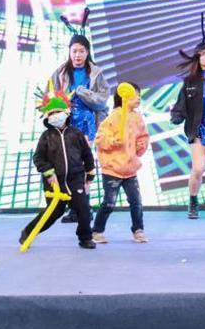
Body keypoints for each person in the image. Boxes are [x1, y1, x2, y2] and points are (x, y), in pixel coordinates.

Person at [51, 13, 111, 222]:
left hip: (87, 123)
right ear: (69, 52)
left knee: (82, 164)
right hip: (66, 124)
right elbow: (52, 98)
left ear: (87, 52)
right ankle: (76, 206)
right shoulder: (59, 73)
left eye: (82, 51)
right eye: (74, 51)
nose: (77, 55)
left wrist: (81, 92)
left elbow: (102, 100)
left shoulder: (96, 73)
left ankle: (84, 207)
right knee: (68, 165)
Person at [20, 91, 97, 249]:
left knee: (83, 209)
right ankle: (29, 232)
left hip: (75, 179)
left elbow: (87, 155)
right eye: (51, 113)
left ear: (66, 113)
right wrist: (49, 172)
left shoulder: (76, 134)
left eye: (57, 112)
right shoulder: (46, 137)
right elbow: (38, 158)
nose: (54, 116)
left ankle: (85, 238)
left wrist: (90, 175)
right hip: (54, 182)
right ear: (47, 117)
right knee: (54, 212)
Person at [170, 13, 205, 219]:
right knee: (198, 169)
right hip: (198, 130)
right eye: (204, 54)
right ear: (198, 57)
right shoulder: (190, 82)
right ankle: (193, 202)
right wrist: (176, 116)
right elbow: (181, 105)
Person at [92, 82, 149, 244]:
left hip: (130, 169)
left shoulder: (137, 117)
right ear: (124, 96)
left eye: (139, 95)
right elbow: (100, 138)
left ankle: (138, 230)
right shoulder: (113, 117)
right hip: (113, 169)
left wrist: (141, 145)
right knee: (109, 203)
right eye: (135, 94)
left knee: (136, 202)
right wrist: (112, 141)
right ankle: (97, 231)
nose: (138, 98)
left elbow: (143, 136)